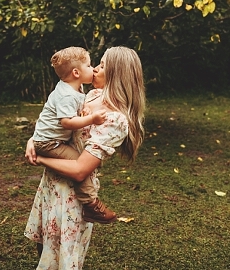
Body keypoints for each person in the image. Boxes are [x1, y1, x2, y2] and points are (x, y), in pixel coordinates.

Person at [25, 47, 146, 270]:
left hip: (74, 195)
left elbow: (81, 170)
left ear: (116, 74)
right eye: (95, 64)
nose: (95, 70)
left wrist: (41, 159)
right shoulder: (90, 95)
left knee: (64, 259)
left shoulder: (116, 120)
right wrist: (34, 140)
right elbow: (56, 123)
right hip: (52, 184)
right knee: (45, 247)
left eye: (101, 66)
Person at [28, 47, 111, 219]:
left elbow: (77, 107)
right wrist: (92, 119)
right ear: (76, 72)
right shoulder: (66, 95)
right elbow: (67, 122)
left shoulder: (75, 88)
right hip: (49, 143)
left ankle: (89, 203)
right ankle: (90, 204)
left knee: (78, 164)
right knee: (79, 164)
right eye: (88, 66)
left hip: (49, 139)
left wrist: (85, 108)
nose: (93, 68)